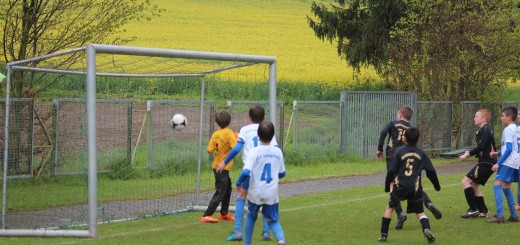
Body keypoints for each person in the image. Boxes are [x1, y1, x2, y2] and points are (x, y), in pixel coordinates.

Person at [216, 105, 277, 241]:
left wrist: (224, 162)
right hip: (265, 171)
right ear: (264, 117)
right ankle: (266, 232)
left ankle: (238, 232)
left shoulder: (245, 130)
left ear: (249, 118)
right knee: (266, 200)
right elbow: (275, 148)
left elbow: (237, 149)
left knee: (241, 197)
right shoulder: (267, 128)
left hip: (249, 171)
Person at [376, 105, 442, 230]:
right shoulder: (411, 128)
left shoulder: (393, 123)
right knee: (414, 182)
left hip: (394, 155)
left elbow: (383, 132)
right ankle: (428, 202)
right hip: (410, 154)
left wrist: (379, 149)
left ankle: (399, 212)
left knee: (393, 184)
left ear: (400, 115)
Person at [236, 121, 287, 245]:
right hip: (271, 193)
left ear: (258, 135)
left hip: (256, 192)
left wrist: (238, 182)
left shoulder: (254, 152)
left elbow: (246, 172)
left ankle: (247, 243)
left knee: (251, 217)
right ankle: (281, 240)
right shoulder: (278, 152)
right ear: (273, 135)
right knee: (273, 221)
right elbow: (282, 174)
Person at [459, 109, 497, 218]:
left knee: (465, 181)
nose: (474, 118)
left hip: (487, 162)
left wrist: (468, 154)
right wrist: (471, 152)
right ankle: (483, 211)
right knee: (474, 185)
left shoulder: (485, 129)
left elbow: (481, 146)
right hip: (488, 162)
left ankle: (473, 209)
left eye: (477, 116)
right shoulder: (484, 130)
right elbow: (483, 147)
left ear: (484, 119)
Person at [201, 110, 237, 223]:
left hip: (216, 165)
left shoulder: (215, 134)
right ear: (229, 121)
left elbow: (209, 150)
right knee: (221, 191)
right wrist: (237, 137)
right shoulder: (229, 133)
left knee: (228, 188)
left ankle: (224, 213)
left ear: (217, 122)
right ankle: (207, 215)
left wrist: (219, 146)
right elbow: (235, 147)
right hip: (222, 166)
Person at [488, 107, 519, 223]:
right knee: (506, 188)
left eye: (502, 116)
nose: (501, 118)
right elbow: (513, 148)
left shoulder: (508, 130)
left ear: (509, 117)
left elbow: (510, 149)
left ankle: (499, 216)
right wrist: (498, 153)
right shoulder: (516, 129)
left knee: (496, 186)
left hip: (507, 162)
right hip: (515, 162)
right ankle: (514, 216)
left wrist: (498, 163)